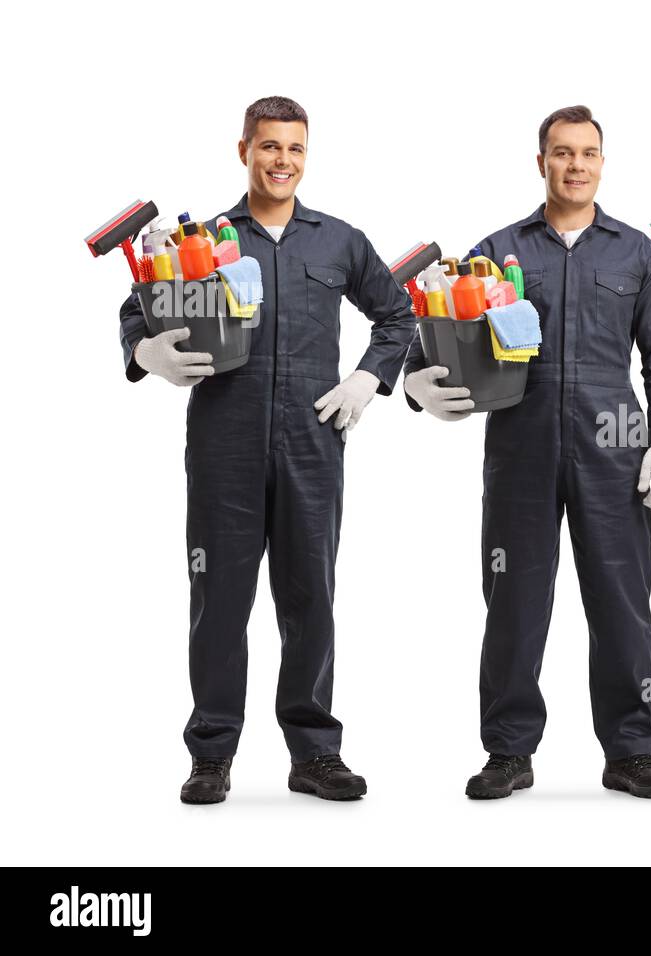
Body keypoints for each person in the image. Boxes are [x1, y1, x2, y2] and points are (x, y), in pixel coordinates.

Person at [119, 96, 416, 804]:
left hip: (315, 439)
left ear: (305, 157)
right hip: (224, 439)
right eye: (269, 147)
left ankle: (314, 753)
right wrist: (146, 351)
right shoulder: (202, 240)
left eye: (295, 149)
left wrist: (368, 379)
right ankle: (212, 754)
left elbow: (398, 312)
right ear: (244, 150)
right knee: (219, 597)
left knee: (309, 595)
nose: (282, 161)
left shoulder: (338, 241)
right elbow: (139, 307)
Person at [403, 105, 651, 799]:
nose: (575, 166)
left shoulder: (635, 254)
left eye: (588, 154)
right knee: (513, 601)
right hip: (520, 444)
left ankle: (631, 750)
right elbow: (439, 331)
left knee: (623, 600)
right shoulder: (498, 251)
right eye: (562, 153)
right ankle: (508, 751)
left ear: (602, 163)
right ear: (541, 163)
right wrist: (414, 384)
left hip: (615, 447)